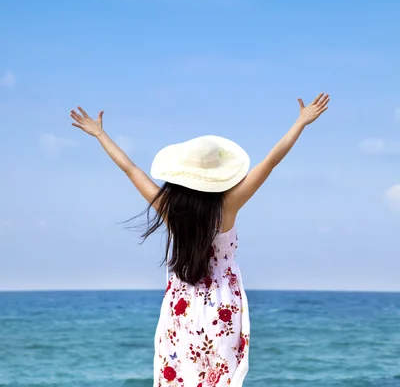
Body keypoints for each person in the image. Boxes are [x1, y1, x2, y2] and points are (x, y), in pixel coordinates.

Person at [70, 92, 329, 386]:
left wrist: (100, 135)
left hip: (181, 299)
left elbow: (131, 169)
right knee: (218, 376)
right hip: (221, 300)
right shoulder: (227, 206)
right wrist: (301, 123)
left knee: (182, 373)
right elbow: (270, 161)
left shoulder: (169, 207)